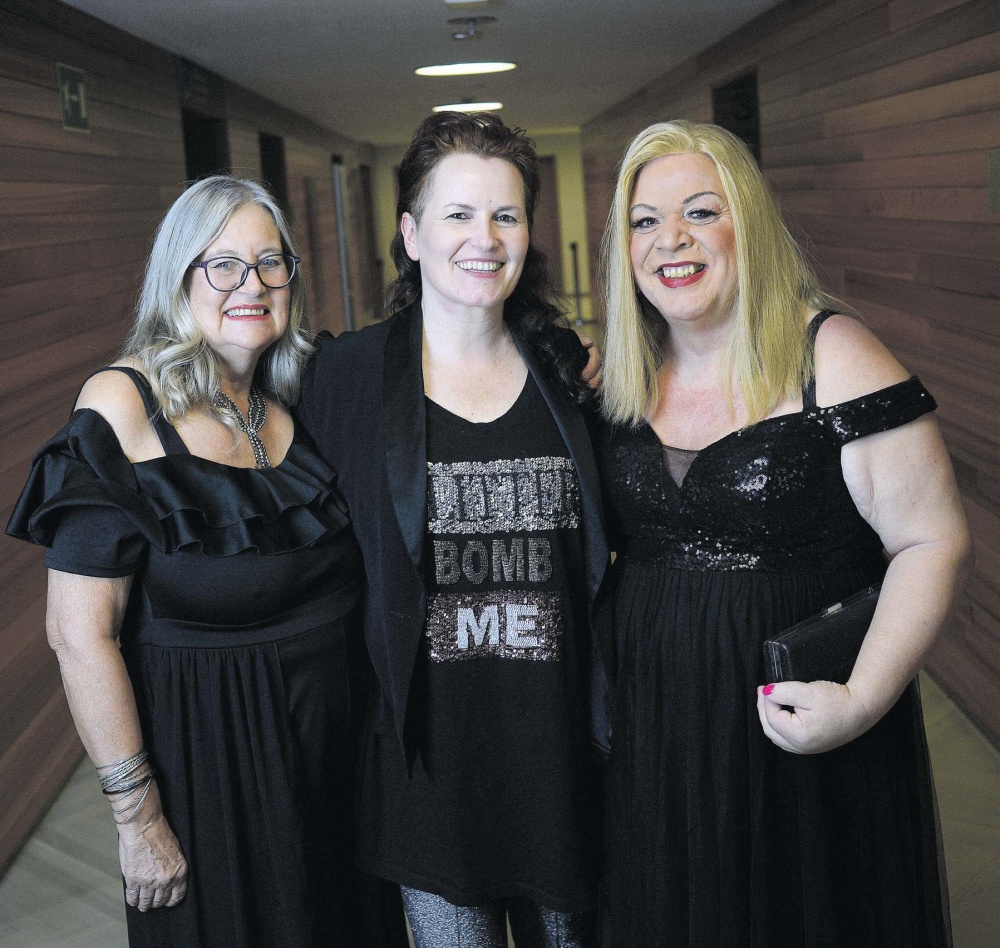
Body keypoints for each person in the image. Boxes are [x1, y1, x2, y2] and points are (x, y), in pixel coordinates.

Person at [592, 120, 970, 948]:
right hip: (658, 725)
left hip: (802, 726)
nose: (671, 239)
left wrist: (860, 700)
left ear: (750, 223)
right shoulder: (619, 370)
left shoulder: (832, 354)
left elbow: (931, 539)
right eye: (645, 221)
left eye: (701, 211)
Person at [6, 177, 407, 947]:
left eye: (270, 262)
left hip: (340, 775)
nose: (250, 284)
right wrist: (138, 818)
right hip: (211, 779)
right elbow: (79, 635)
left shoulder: (295, 396)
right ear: (178, 277)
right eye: (222, 264)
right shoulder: (124, 406)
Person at [296, 112, 610, 947]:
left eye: (506, 215)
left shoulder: (567, 372)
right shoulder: (345, 378)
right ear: (411, 234)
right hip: (428, 778)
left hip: (561, 765)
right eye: (459, 214)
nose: (485, 238)